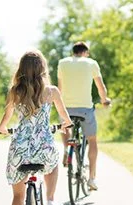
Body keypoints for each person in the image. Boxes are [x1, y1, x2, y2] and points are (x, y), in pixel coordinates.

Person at [0, 50, 73, 205]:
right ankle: (50, 200)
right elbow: (65, 117)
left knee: (18, 196)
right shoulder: (52, 91)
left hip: (20, 151)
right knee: (52, 165)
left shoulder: (15, 91)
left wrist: (2, 128)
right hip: (44, 148)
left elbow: (7, 116)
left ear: (21, 69)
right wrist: (66, 124)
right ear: (42, 68)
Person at [57, 42, 111, 191]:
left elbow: (59, 89)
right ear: (85, 52)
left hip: (66, 109)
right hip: (85, 109)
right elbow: (101, 87)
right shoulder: (91, 63)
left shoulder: (62, 63)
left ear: (73, 52)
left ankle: (67, 149)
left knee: (64, 125)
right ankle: (92, 178)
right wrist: (104, 100)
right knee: (92, 139)